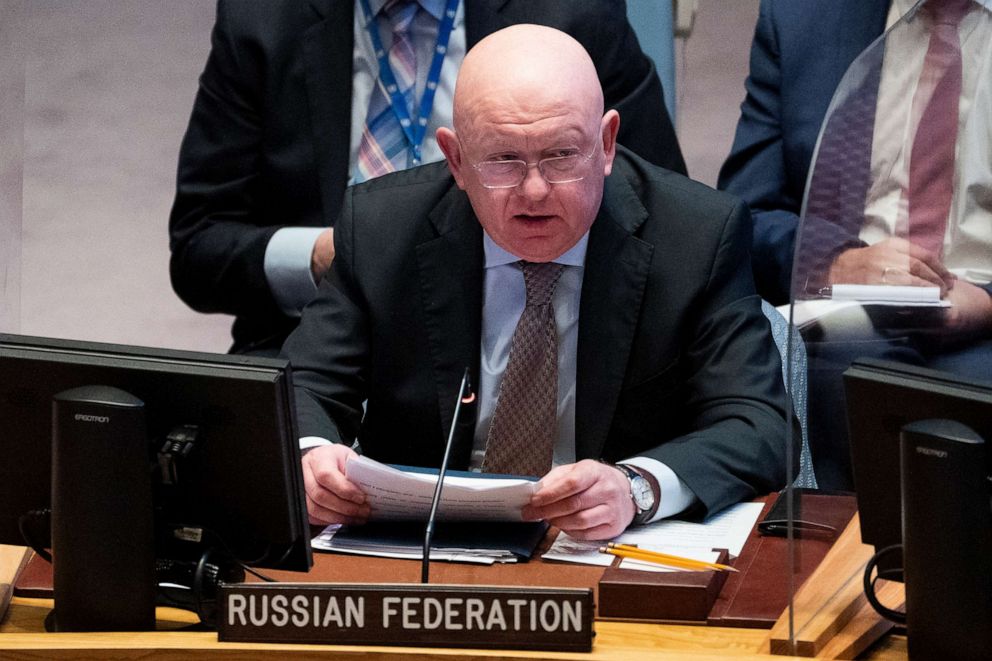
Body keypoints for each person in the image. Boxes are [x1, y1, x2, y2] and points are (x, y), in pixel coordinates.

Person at [283, 24, 792, 541]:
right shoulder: (379, 228)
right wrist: (310, 458)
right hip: (423, 554)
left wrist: (635, 487)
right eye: (504, 159)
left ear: (607, 142)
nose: (535, 190)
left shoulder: (697, 236)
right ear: (456, 159)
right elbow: (304, 385)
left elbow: (759, 426)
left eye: (561, 156)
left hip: (605, 551)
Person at [169, 0, 686, 356]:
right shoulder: (262, 18)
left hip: (530, 334)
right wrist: (329, 255)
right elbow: (198, 250)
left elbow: (665, 222)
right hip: (321, 346)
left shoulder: (569, 14)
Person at [720, 0, 992, 488]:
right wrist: (836, 260)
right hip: (850, 314)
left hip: (982, 312)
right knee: (844, 381)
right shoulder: (805, 18)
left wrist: (990, 302)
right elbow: (742, 214)